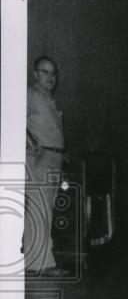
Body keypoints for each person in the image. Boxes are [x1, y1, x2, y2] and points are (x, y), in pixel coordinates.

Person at [23, 55, 68, 276]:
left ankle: (34, 263)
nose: (50, 77)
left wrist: (61, 152)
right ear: (35, 74)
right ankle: (44, 264)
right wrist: (31, 143)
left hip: (54, 158)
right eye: (45, 72)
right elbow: (12, 119)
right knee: (40, 209)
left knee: (43, 209)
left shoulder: (49, 100)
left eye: (53, 73)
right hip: (40, 160)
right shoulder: (30, 96)